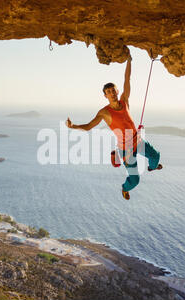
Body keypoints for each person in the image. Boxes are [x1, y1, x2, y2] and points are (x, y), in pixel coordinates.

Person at [65, 56, 162, 200]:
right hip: (126, 150)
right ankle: (124, 188)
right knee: (135, 181)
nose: (112, 93)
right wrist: (73, 126)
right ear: (105, 96)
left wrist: (129, 61)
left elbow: (127, 79)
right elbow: (89, 126)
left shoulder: (125, 101)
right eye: (108, 92)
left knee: (156, 156)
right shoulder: (104, 112)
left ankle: (152, 167)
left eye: (113, 90)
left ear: (117, 91)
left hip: (138, 141)